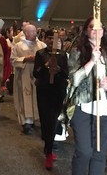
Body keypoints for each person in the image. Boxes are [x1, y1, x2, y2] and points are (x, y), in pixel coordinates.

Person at [67, 17, 107, 175]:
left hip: (106, 110)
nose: (95, 30)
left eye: (99, 28)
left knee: (99, 155)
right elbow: (73, 79)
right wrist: (91, 61)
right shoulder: (77, 51)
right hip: (83, 108)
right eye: (91, 27)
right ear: (86, 30)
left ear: (104, 31)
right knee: (84, 151)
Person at [33, 29, 68, 170]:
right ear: (45, 39)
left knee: (54, 119)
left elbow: (67, 73)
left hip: (58, 91)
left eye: (56, 39)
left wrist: (58, 68)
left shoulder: (63, 54)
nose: (52, 41)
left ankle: (49, 150)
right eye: (49, 38)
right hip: (44, 91)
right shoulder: (40, 53)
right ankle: (48, 147)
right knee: (45, 119)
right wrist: (45, 66)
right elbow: (35, 73)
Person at [10, 24, 46, 135]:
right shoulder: (18, 46)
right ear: (26, 33)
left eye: (35, 31)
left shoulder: (42, 45)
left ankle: (35, 119)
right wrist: (25, 59)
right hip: (24, 75)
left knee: (37, 97)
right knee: (25, 98)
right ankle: (26, 122)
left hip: (38, 76)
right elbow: (13, 60)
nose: (34, 33)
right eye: (31, 31)